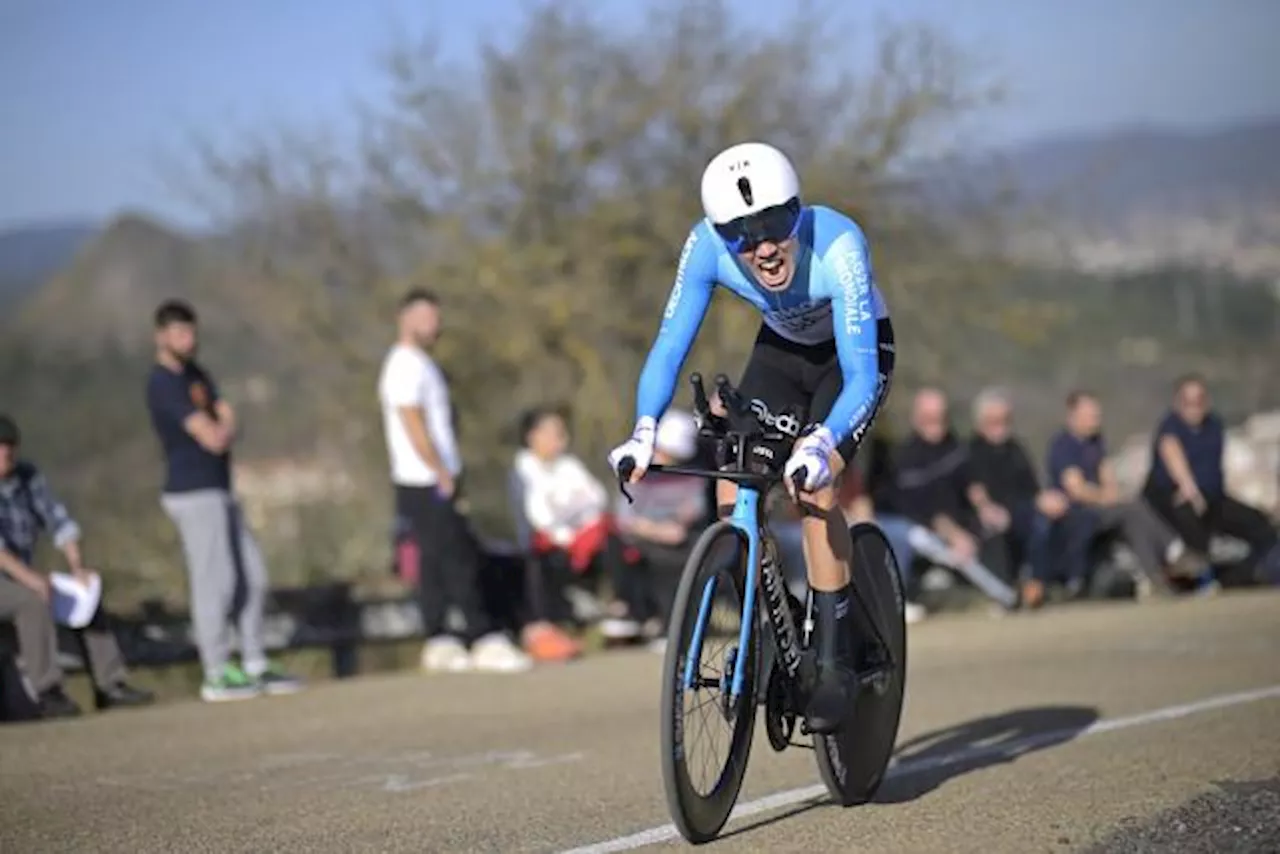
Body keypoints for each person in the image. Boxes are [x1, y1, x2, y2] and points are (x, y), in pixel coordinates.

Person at [606, 141, 895, 735]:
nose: (763, 246)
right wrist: (643, 429)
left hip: (851, 355)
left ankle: (836, 655)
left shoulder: (839, 245)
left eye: (777, 224)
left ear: (798, 210)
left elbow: (862, 374)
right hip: (782, 355)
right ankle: (774, 623)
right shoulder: (704, 246)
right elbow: (669, 344)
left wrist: (822, 443)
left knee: (814, 490)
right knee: (729, 493)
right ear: (721, 234)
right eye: (743, 235)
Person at [145, 300, 303, 702]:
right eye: (180, 332)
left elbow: (226, 419)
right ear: (161, 336)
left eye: (192, 331)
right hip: (192, 492)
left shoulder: (198, 375)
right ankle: (215, 672)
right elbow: (213, 434)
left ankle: (253, 660)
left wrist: (224, 423)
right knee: (214, 582)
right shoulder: (162, 383)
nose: (189, 339)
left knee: (253, 575)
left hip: (220, 488)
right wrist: (222, 423)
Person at [377, 289, 531, 673]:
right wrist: (439, 470)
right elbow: (412, 420)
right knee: (458, 556)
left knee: (436, 559)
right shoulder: (404, 365)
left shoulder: (423, 364)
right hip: (423, 478)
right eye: (427, 317)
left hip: (433, 476)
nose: (435, 325)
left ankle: (440, 637)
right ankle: (482, 636)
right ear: (405, 318)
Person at [0, 415, 154, 718]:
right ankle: (48, 690)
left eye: (10, 447)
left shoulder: (27, 477)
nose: (6, 454)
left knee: (86, 594)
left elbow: (60, 522)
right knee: (30, 602)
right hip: (10, 578)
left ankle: (110, 683)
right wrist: (32, 581)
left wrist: (77, 567)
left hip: (22, 575)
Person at [513, 405, 643, 646]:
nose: (562, 440)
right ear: (533, 436)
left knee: (615, 542)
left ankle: (624, 611)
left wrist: (571, 512)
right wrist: (572, 512)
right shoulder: (523, 471)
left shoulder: (569, 465)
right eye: (555, 433)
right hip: (551, 547)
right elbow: (542, 517)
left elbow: (596, 498)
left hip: (585, 539)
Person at [1045, 390, 1194, 598]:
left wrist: (1114, 495)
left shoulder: (1096, 442)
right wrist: (1108, 498)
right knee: (1132, 510)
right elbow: (1076, 489)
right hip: (1078, 515)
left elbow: (1108, 477)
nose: (1096, 420)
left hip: (1102, 509)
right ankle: (1174, 550)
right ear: (1073, 415)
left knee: (1134, 515)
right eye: (1090, 416)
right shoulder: (1063, 445)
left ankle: (1154, 576)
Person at [1141, 374, 1280, 584]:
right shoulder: (1170, 426)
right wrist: (1189, 488)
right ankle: (1198, 579)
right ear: (1178, 403)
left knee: (1259, 524)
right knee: (1192, 525)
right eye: (1188, 402)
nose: (1194, 407)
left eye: (1199, 401)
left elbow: (1223, 470)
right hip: (1176, 499)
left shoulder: (1213, 425)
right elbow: (1171, 451)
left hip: (1213, 497)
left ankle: (1252, 573)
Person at [613, 409, 710, 652]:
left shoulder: (692, 474)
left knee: (680, 560)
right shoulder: (636, 471)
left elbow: (695, 509)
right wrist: (656, 530)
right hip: (641, 538)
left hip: (679, 537)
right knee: (638, 555)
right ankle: (636, 615)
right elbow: (625, 517)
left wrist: (679, 524)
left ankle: (673, 627)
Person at [965, 387, 1068, 609]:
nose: (1000, 425)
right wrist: (986, 507)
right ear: (981, 421)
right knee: (1036, 523)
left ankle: (1053, 583)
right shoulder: (973, 450)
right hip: (997, 513)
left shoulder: (1015, 448)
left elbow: (1033, 485)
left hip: (1025, 508)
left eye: (1005, 419)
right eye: (994, 420)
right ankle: (1031, 584)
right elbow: (975, 488)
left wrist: (1048, 498)